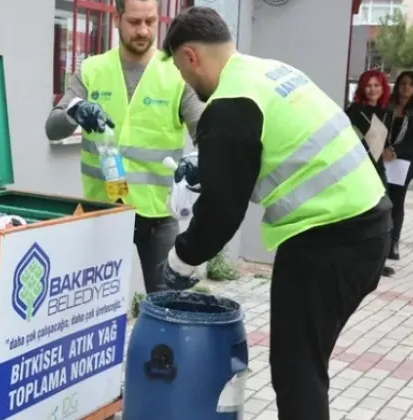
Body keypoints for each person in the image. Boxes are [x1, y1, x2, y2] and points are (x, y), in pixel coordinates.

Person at [158, 7, 392, 419]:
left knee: (296, 367)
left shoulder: (229, 105)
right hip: (365, 224)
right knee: (305, 361)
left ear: (190, 56)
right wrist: (207, 165)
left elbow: (219, 217)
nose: (186, 82)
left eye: (180, 69)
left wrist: (181, 260)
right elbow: (267, 148)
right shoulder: (266, 72)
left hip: (330, 240)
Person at [44, 0, 204, 294]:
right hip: (101, 209)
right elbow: (52, 128)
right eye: (134, 22)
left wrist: (200, 160)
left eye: (151, 21)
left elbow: (206, 133)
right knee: (92, 304)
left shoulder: (177, 73)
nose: (143, 31)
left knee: (166, 303)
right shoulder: (92, 70)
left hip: (157, 214)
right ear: (117, 19)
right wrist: (75, 111)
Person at [346, 69, 396, 278]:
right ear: (362, 88)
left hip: (378, 169)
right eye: (369, 85)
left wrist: (391, 149)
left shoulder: (388, 113)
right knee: (359, 214)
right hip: (358, 168)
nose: (373, 89)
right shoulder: (354, 111)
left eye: (377, 85)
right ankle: (354, 259)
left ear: (383, 88)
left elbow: (386, 143)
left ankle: (378, 261)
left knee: (382, 214)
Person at [385, 71, 413, 261]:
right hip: (382, 158)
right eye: (403, 83)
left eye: (411, 84)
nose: (406, 87)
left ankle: (394, 243)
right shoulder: (387, 106)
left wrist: (395, 151)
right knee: (381, 201)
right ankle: (380, 240)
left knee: (396, 202)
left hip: (404, 161)